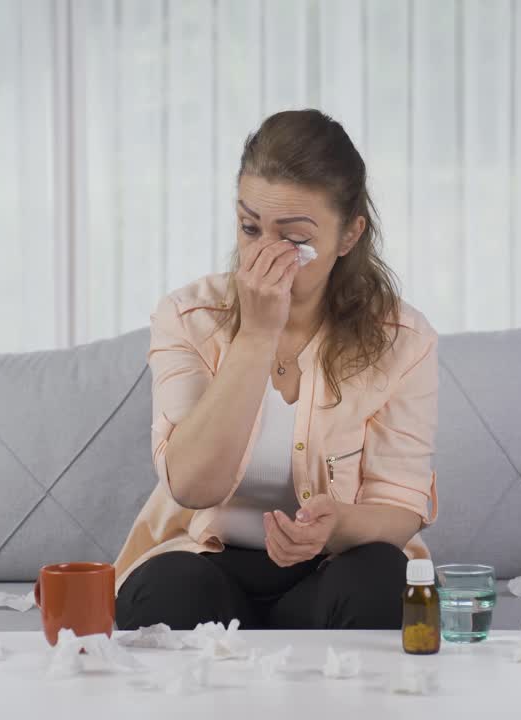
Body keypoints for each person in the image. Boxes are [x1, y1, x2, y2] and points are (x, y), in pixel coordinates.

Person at [114, 109, 439, 631]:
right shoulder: (187, 317)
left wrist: (338, 527)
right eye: (249, 227)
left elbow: (399, 507)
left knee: (385, 579)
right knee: (168, 594)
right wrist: (257, 337)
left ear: (349, 235)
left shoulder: (403, 340)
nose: (263, 253)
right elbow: (192, 487)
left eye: (294, 239)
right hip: (210, 561)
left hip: (333, 565)